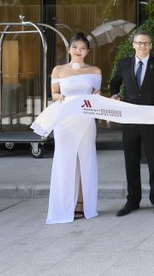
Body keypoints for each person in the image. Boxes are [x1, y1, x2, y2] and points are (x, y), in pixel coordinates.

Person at [109, 30, 154, 217]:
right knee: (130, 161)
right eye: (139, 43)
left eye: (146, 43)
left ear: (151, 46)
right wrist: (115, 95)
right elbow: (114, 83)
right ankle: (133, 200)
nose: (142, 46)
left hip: (151, 119)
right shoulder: (124, 64)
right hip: (130, 120)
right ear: (133, 45)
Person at [38, 33, 102, 224]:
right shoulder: (58, 70)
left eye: (83, 48)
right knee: (65, 161)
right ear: (69, 49)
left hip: (85, 120)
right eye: (75, 48)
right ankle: (64, 205)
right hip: (64, 120)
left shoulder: (95, 70)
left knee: (86, 160)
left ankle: (83, 203)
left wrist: (98, 94)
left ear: (88, 51)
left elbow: (95, 95)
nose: (78, 51)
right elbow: (55, 94)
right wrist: (60, 98)